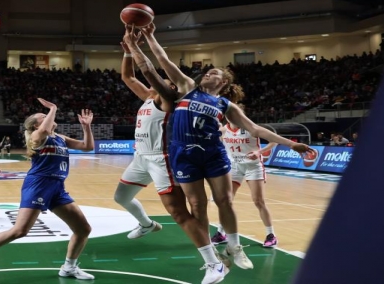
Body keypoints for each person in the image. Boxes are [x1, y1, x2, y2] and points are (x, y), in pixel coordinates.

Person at [134, 23, 315, 284]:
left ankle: (234, 246)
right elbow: (162, 59)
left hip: (214, 154)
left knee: (225, 200)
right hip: (183, 154)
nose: (208, 73)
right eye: (208, 71)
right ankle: (213, 259)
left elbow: (254, 128)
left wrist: (290, 143)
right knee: (197, 206)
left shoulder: (225, 104)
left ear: (224, 82)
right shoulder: (186, 87)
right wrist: (150, 36)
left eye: (214, 72)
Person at [0, 99, 95, 280]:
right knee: (19, 231)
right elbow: (44, 130)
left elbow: (87, 147)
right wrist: (53, 108)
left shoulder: (60, 138)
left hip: (57, 187)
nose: (49, 117)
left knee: (83, 229)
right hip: (38, 185)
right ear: (36, 124)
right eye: (44, 116)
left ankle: (69, 267)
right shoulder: (37, 136)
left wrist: (86, 127)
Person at [115, 29, 207, 252]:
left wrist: (134, 46)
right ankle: (147, 224)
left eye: (168, 83)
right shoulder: (148, 98)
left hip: (161, 159)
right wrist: (128, 52)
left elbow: (148, 74)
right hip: (140, 158)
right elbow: (128, 77)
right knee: (121, 197)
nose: (165, 83)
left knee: (176, 210)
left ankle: (208, 249)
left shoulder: (167, 101)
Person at [211, 106, 279, 248]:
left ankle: (271, 235)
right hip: (234, 166)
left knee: (258, 201)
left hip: (252, 166)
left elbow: (274, 140)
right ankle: (221, 233)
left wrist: (259, 152)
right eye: (228, 114)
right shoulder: (223, 130)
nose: (230, 116)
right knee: (225, 201)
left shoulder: (252, 129)